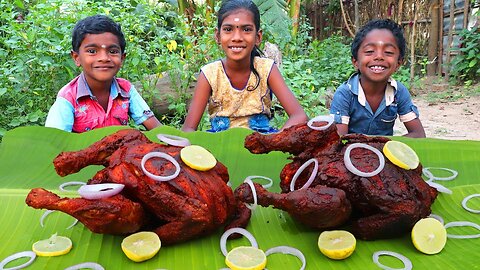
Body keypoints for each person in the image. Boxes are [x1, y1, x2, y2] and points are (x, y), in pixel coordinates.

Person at [181, 0, 307, 133]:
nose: (237, 37)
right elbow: (188, 128)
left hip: (261, 147)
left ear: (258, 37)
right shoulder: (210, 74)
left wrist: (273, 142)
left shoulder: (267, 69)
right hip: (219, 147)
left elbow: (299, 116)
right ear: (218, 36)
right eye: (228, 29)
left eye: (246, 30)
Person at [45, 15, 161, 133]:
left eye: (112, 51)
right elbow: (53, 142)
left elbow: (157, 129)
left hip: (121, 150)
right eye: (92, 51)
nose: (104, 58)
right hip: (82, 152)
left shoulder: (126, 90)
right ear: (76, 58)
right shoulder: (68, 98)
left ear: (122, 58)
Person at [329, 19, 426, 138]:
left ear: (398, 63)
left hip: (384, 152)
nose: (379, 56)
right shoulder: (345, 94)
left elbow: (418, 134)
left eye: (388, 52)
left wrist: (388, 147)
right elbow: (339, 139)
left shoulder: (398, 92)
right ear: (355, 62)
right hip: (351, 153)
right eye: (369, 51)